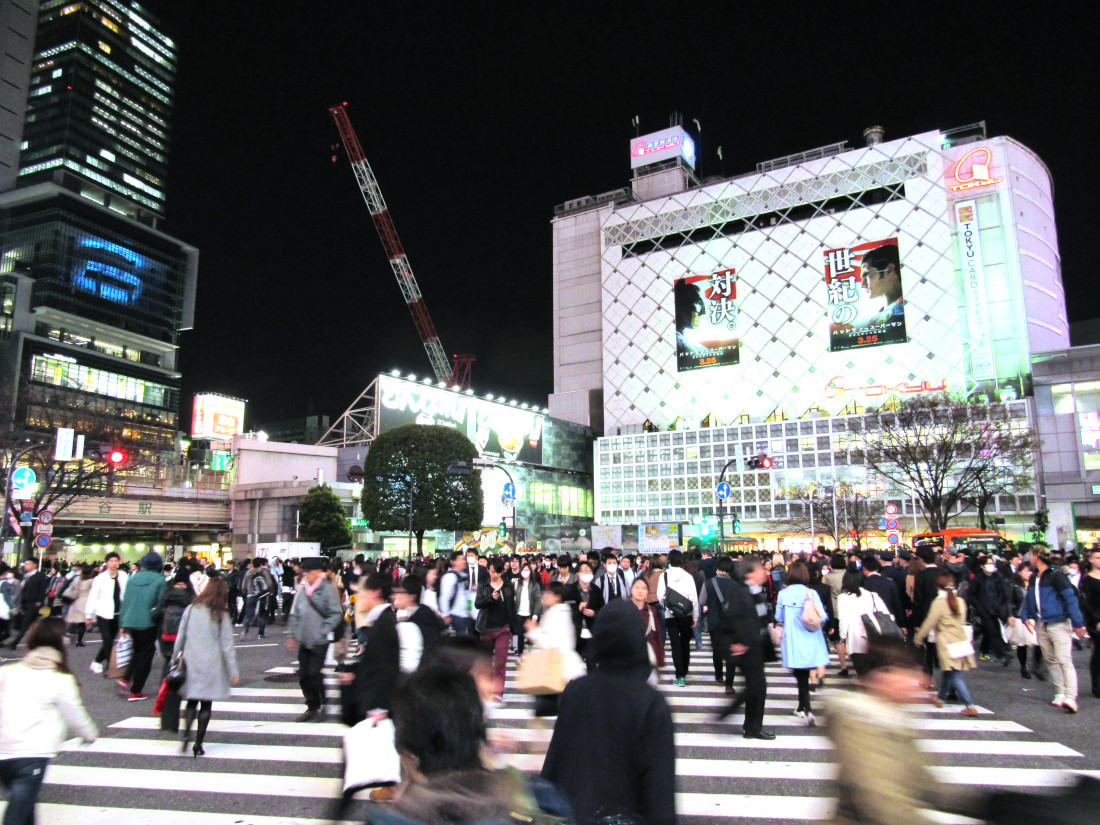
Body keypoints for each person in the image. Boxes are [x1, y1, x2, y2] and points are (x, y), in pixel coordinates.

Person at [366, 666, 571, 825]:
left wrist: (406, 796)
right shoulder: (541, 798)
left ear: (408, 758)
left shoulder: (389, 819)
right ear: (480, 737)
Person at [826, 637, 989, 825]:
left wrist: (990, 806)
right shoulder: (859, 725)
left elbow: (923, 783)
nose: (920, 680)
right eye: (907, 671)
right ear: (877, 677)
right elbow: (883, 806)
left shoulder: (894, 720)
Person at [541, 600, 676, 825]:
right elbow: (659, 790)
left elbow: (556, 760)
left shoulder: (576, 691)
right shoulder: (651, 703)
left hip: (576, 813)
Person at [0, 618, 97, 825]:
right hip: (32, 757)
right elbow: (75, 715)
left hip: (3, 753)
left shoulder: (7, 672)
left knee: (26, 809)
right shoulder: (60, 679)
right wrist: (90, 734)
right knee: (15, 818)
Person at [173, 576, 240, 757]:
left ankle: (186, 735)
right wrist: (233, 671)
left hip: (191, 661)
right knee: (206, 705)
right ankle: (198, 743)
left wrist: (174, 658)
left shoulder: (192, 608)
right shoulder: (222, 614)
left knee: (191, 700)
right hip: (212, 663)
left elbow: (181, 636)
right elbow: (227, 645)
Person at [1019, 547, 1088, 713]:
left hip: (1059, 623)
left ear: (1036, 557)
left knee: (1064, 660)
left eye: (1031, 555)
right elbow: (1029, 598)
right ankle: (1060, 693)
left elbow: (1070, 598)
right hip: (1041, 623)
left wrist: (1078, 623)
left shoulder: (1056, 575)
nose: (1030, 558)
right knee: (1051, 660)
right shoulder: (1035, 577)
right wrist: (1025, 615)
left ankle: (1071, 697)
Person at [716, 558, 776, 740]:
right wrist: (739, 642)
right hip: (746, 648)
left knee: (755, 687)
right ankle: (751, 727)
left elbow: (759, 617)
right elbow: (732, 619)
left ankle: (749, 726)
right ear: (749, 574)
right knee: (756, 687)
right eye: (760, 569)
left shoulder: (755, 591)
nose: (764, 572)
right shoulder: (740, 592)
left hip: (756, 646)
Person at [914, 571, 979, 716]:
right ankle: (941, 698)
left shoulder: (939, 603)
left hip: (947, 642)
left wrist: (918, 637)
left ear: (938, 586)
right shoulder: (960, 601)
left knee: (955, 675)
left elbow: (929, 622)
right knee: (949, 672)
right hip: (960, 640)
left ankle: (970, 706)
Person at [287, 557, 342, 722]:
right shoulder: (303, 590)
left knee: (313, 673)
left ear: (319, 572)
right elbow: (295, 613)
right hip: (304, 639)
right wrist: (292, 635)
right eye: (305, 572)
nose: (306, 575)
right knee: (304, 675)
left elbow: (335, 613)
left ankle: (321, 700)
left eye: (309, 571)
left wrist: (323, 630)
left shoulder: (327, 589)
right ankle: (312, 706)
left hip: (319, 640)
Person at [774, 561, 829, 726]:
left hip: (793, 639)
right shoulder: (811, 593)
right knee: (804, 675)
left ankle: (807, 710)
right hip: (811, 638)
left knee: (801, 676)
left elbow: (778, 617)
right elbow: (823, 616)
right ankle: (802, 707)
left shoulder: (784, 594)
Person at [525, 581, 585, 716]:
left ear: (557, 597)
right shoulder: (561, 612)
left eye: (548, 593)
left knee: (565, 711)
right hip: (566, 669)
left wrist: (534, 632)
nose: (544, 596)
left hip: (561, 670)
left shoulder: (555, 614)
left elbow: (551, 644)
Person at [116, 551, 167, 701]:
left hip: (131, 621)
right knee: (145, 656)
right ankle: (135, 691)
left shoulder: (133, 578)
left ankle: (125, 678)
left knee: (136, 651)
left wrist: (123, 624)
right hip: (149, 622)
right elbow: (161, 603)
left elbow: (125, 601)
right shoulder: (160, 580)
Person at [655, 549, 699, 687]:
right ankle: (684, 671)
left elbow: (659, 595)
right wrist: (696, 616)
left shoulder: (664, 576)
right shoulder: (688, 576)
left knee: (675, 644)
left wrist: (667, 606)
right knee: (685, 644)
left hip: (670, 616)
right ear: (682, 562)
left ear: (669, 561)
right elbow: (694, 599)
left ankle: (679, 675)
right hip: (686, 615)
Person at [474, 559, 515, 701]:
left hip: (502, 628)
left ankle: (497, 693)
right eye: (491, 571)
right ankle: (485, 690)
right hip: (486, 628)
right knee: (485, 663)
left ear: (501, 571)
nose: (494, 574)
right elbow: (477, 604)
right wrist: (490, 598)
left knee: (500, 662)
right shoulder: (484, 585)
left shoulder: (508, 586)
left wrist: (513, 627)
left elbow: (512, 607)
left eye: (496, 572)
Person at [837, 568, 886, 678]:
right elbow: (885, 614)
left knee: (862, 670)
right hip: (874, 636)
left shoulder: (843, 598)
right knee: (874, 669)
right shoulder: (873, 595)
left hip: (855, 637)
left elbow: (843, 620)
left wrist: (842, 638)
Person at [85, 552, 128, 674]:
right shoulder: (100, 578)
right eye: (111, 561)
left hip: (118, 614)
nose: (114, 563)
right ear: (107, 563)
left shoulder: (124, 576)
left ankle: (97, 661)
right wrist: (88, 615)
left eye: (116, 561)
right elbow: (93, 596)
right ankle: (111, 667)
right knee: (108, 640)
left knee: (110, 640)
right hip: (103, 614)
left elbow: (127, 594)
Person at [700, 557, 737, 685]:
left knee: (717, 651)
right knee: (731, 652)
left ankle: (719, 677)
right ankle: (729, 684)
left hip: (714, 621)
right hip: (731, 623)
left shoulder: (709, 583)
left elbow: (701, 601)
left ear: (718, 568)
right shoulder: (735, 585)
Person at [968, 556, 1011, 664]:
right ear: (982, 566)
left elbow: (1002, 592)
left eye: (992, 563)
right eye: (988, 563)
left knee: (990, 630)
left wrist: (998, 603)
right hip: (984, 610)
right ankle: (1001, 654)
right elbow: (971, 595)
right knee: (992, 631)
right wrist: (979, 607)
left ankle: (984, 650)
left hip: (996, 609)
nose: (991, 565)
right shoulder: (978, 579)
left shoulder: (997, 577)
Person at [1007, 563, 1044, 680]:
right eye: (1026, 571)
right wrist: (1010, 615)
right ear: (1019, 572)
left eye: (1030, 571)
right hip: (1020, 618)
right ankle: (1023, 667)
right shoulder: (1014, 586)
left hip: (1035, 617)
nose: (1029, 574)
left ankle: (1036, 666)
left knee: (1039, 643)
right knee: (1022, 644)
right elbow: (1008, 601)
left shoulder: (1037, 585)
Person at [628, 576, 664, 678]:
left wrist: (659, 660)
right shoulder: (625, 609)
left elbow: (657, 635)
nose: (640, 591)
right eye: (637, 587)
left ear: (647, 592)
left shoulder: (651, 611)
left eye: (644, 588)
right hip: (628, 657)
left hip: (646, 658)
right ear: (631, 590)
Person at [7, 559, 47, 650]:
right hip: (24, 602)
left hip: (34, 603)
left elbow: (43, 590)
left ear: (35, 565)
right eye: (25, 564)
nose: (26, 565)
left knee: (25, 623)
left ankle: (15, 642)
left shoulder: (40, 576)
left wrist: (39, 602)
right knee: (31, 624)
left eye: (28, 564)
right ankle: (40, 642)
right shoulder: (26, 576)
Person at [239, 557, 275, 639]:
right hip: (263, 596)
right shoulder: (265, 571)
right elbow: (269, 583)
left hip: (251, 595)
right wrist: (271, 591)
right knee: (262, 615)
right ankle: (260, 634)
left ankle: (245, 630)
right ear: (261, 564)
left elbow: (243, 585)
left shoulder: (249, 572)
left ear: (253, 564)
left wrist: (245, 592)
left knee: (248, 615)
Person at [511, 561, 542, 655]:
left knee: (530, 635)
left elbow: (538, 600)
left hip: (530, 614)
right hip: (519, 613)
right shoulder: (516, 584)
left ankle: (530, 652)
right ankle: (520, 653)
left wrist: (535, 615)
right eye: (523, 570)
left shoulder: (535, 585)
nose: (525, 571)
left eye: (527, 570)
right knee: (520, 634)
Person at [439, 551, 473, 635]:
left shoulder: (464, 575)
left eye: (464, 559)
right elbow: (444, 597)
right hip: (456, 616)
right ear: (453, 562)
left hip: (465, 615)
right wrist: (445, 614)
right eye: (460, 559)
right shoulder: (450, 577)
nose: (464, 561)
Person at [1082, 548, 1100, 698]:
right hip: (1097, 621)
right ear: (1091, 560)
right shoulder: (1087, 580)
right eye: (1098, 557)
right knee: (1099, 654)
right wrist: (1096, 621)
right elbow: (1087, 604)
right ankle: (1097, 686)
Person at [63, 564, 95, 647]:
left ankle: (69, 635)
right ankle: (79, 640)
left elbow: (71, 588)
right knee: (83, 623)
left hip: (76, 602)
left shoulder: (77, 579)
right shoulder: (91, 581)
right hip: (86, 602)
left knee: (75, 621)